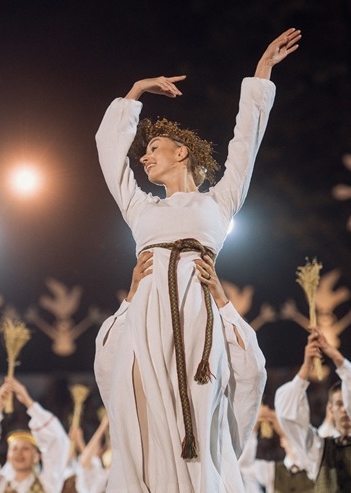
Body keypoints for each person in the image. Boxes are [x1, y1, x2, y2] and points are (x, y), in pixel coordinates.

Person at [94, 28, 299, 492]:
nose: (144, 159)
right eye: (143, 152)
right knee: (147, 420)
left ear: (181, 152)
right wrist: (135, 93)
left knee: (198, 418)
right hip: (148, 316)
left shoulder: (219, 203)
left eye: (152, 149)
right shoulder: (141, 208)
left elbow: (246, 143)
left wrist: (262, 71)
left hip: (196, 315)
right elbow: (110, 157)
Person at [95, 234, 268, 491]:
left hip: (197, 466)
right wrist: (132, 298)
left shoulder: (209, 338)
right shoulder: (139, 347)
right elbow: (108, 363)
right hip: (152, 466)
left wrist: (221, 301)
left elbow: (250, 371)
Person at [274, 329, 351, 492]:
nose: (346, 409)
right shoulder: (318, 450)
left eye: (349, 402)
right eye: (339, 403)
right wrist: (306, 367)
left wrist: (334, 354)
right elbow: (288, 415)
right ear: (330, 408)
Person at [0, 376, 69, 493]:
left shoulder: (47, 484)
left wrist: (27, 401)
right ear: (8, 456)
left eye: (25, 448)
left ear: (36, 457)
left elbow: (56, 440)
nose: (19, 453)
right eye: (14, 449)